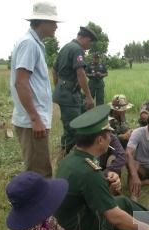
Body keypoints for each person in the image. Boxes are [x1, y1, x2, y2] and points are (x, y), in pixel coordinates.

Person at [9, 1, 59, 178]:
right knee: (39, 172)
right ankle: (39, 205)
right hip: (33, 122)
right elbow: (21, 83)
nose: (55, 27)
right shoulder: (29, 44)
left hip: (35, 120)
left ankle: (40, 203)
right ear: (42, 22)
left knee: (41, 167)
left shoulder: (35, 44)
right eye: (53, 23)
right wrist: (35, 119)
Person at [53, 26, 98, 154]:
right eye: (89, 42)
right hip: (69, 96)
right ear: (83, 37)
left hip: (65, 93)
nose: (89, 46)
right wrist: (89, 97)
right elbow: (81, 73)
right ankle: (66, 157)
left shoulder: (66, 47)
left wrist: (58, 87)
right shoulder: (77, 49)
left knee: (77, 123)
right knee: (73, 128)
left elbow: (54, 70)